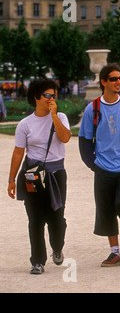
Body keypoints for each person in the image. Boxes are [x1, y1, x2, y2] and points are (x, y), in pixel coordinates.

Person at [78, 63, 120, 267]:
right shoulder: (93, 108)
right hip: (103, 168)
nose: (119, 82)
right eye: (114, 79)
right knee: (106, 209)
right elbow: (84, 141)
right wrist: (94, 165)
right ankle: (114, 252)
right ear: (104, 82)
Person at [7, 79, 71, 274]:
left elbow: (65, 137)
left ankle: (57, 247)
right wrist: (11, 179)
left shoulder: (60, 116)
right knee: (35, 218)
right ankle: (37, 261)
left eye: (54, 95)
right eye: (47, 95)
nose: (52, 99)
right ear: (36, 97)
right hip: (33, 175)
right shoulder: (25, 124)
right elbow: (18, 152)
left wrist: (54, 116)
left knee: (57, 217)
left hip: (56, 173)